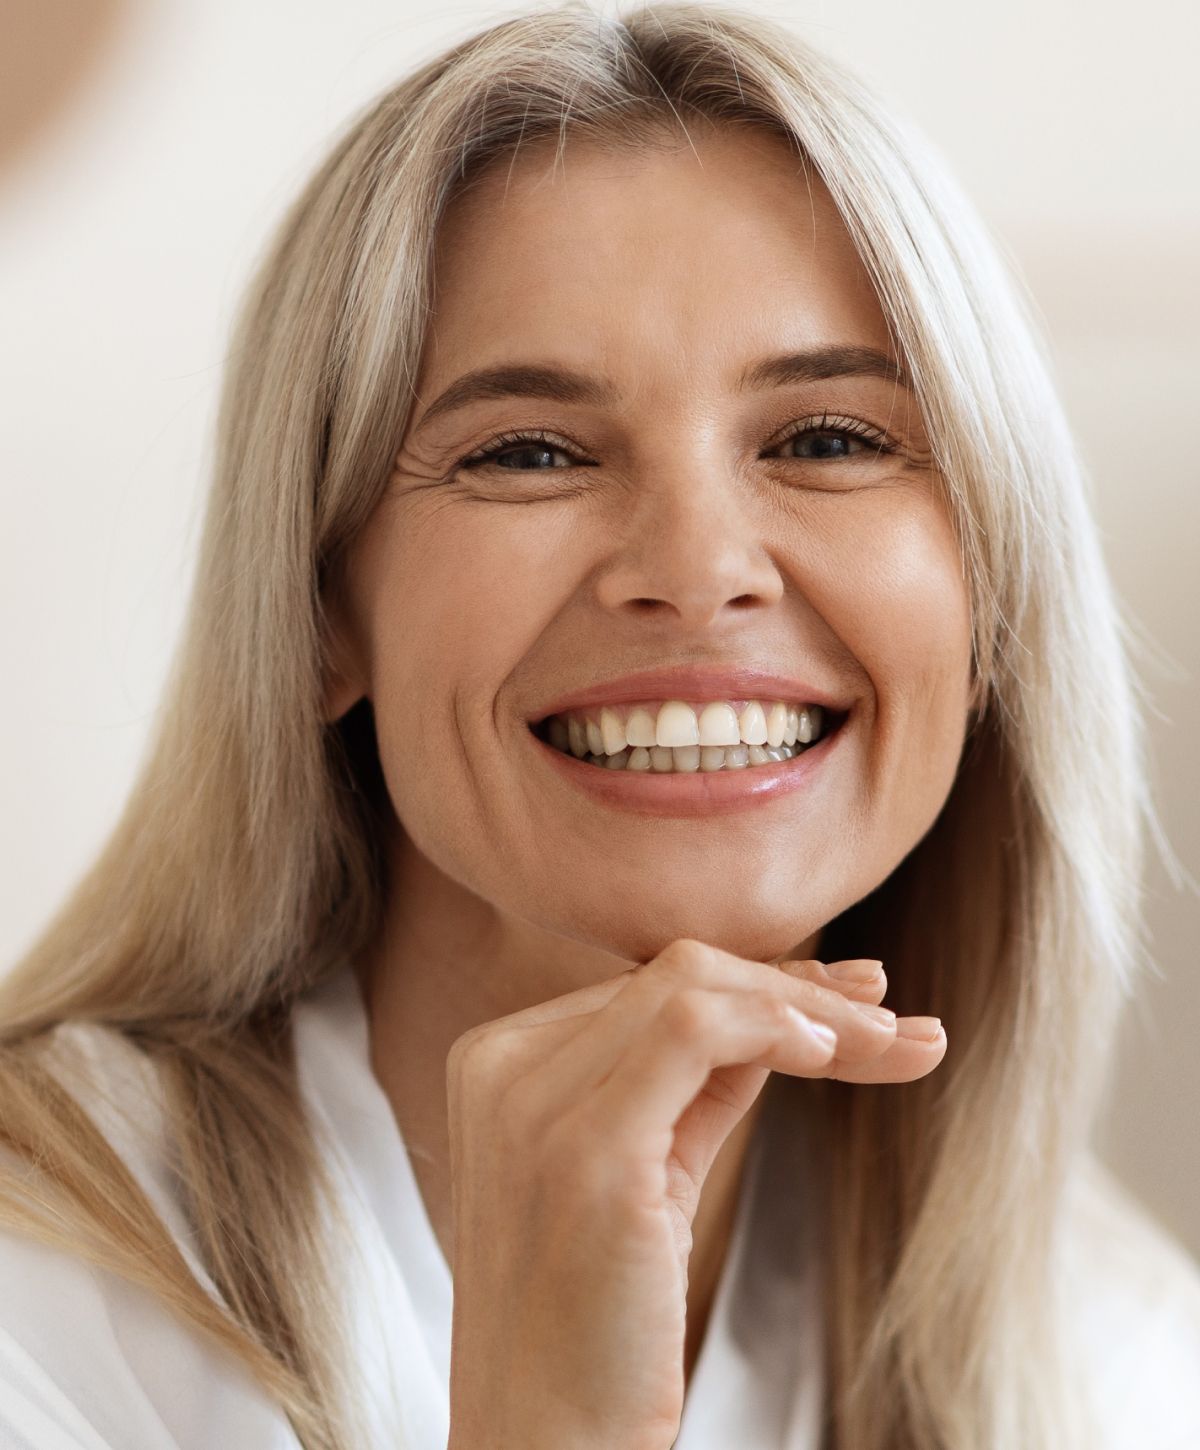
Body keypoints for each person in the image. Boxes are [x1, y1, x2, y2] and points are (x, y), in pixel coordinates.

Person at [1, 3, 1197, 1447]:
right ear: (318, 609)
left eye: (826, 438)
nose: (695, 569)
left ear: (995, 598)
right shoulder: (38, 1298)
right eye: (530, 450)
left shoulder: (1107, 1351)